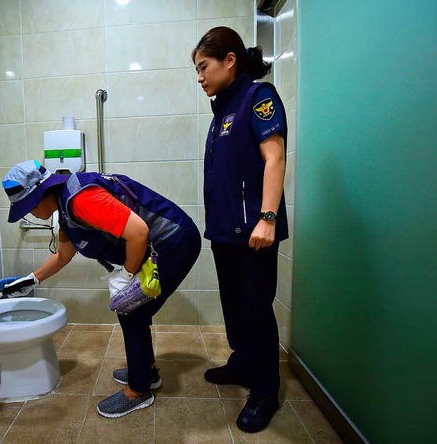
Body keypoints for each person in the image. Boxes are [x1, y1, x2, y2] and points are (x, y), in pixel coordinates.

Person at [1, 160, 201, 418]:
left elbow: (139, 233)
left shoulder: (80, 200)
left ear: (40, 195)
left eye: (27, 207)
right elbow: (63, 256)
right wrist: (31, 280)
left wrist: (126, 276)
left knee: (132, 310)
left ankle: (138, 390)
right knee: (132, 309)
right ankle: (146, 371)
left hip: (174, 242)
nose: (29, 213)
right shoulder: (65, 207)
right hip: (161, 247)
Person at [192, 27, 289, 433]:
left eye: (203, 67)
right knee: (234, 306)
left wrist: (267, 218)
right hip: (225, 234)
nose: (199, 77)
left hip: (254, 233)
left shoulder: (258, 98)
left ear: (230, 60)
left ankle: (265, 389)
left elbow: (275, 156)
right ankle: (244, 363)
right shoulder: (221, 110)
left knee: (255, 308)